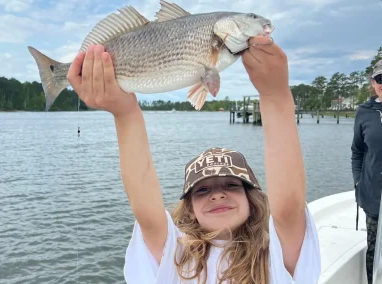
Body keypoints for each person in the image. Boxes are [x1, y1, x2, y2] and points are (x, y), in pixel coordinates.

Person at [66, 36, 321, 283]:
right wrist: (125, 112)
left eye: (232, 185)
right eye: (202, 190)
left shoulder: (275, 255)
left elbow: (288, 207)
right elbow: (146, 211)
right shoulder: (175, 256)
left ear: (251, 198)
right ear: (189, 207)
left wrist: (275, 94)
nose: (218, 195)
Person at [351, 59, 382, 284]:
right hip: (373, 196)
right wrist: (358, 182)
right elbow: (357, 151)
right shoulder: (364, 112)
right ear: (373, 82)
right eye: (380, 79)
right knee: (374, 249)